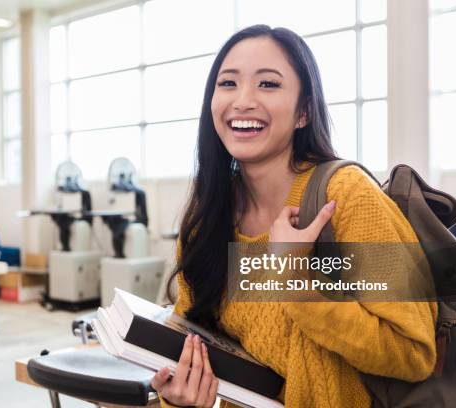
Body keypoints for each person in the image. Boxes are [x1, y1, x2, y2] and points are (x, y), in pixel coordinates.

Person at [150, 25, 437, 408]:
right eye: (228, 83)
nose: (243, 101)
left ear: (303, 111)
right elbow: (189, 341)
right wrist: (179, 397)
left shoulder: (346, 195)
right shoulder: (209, 216)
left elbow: (414, 354)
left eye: (268, 84)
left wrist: (296, 284)